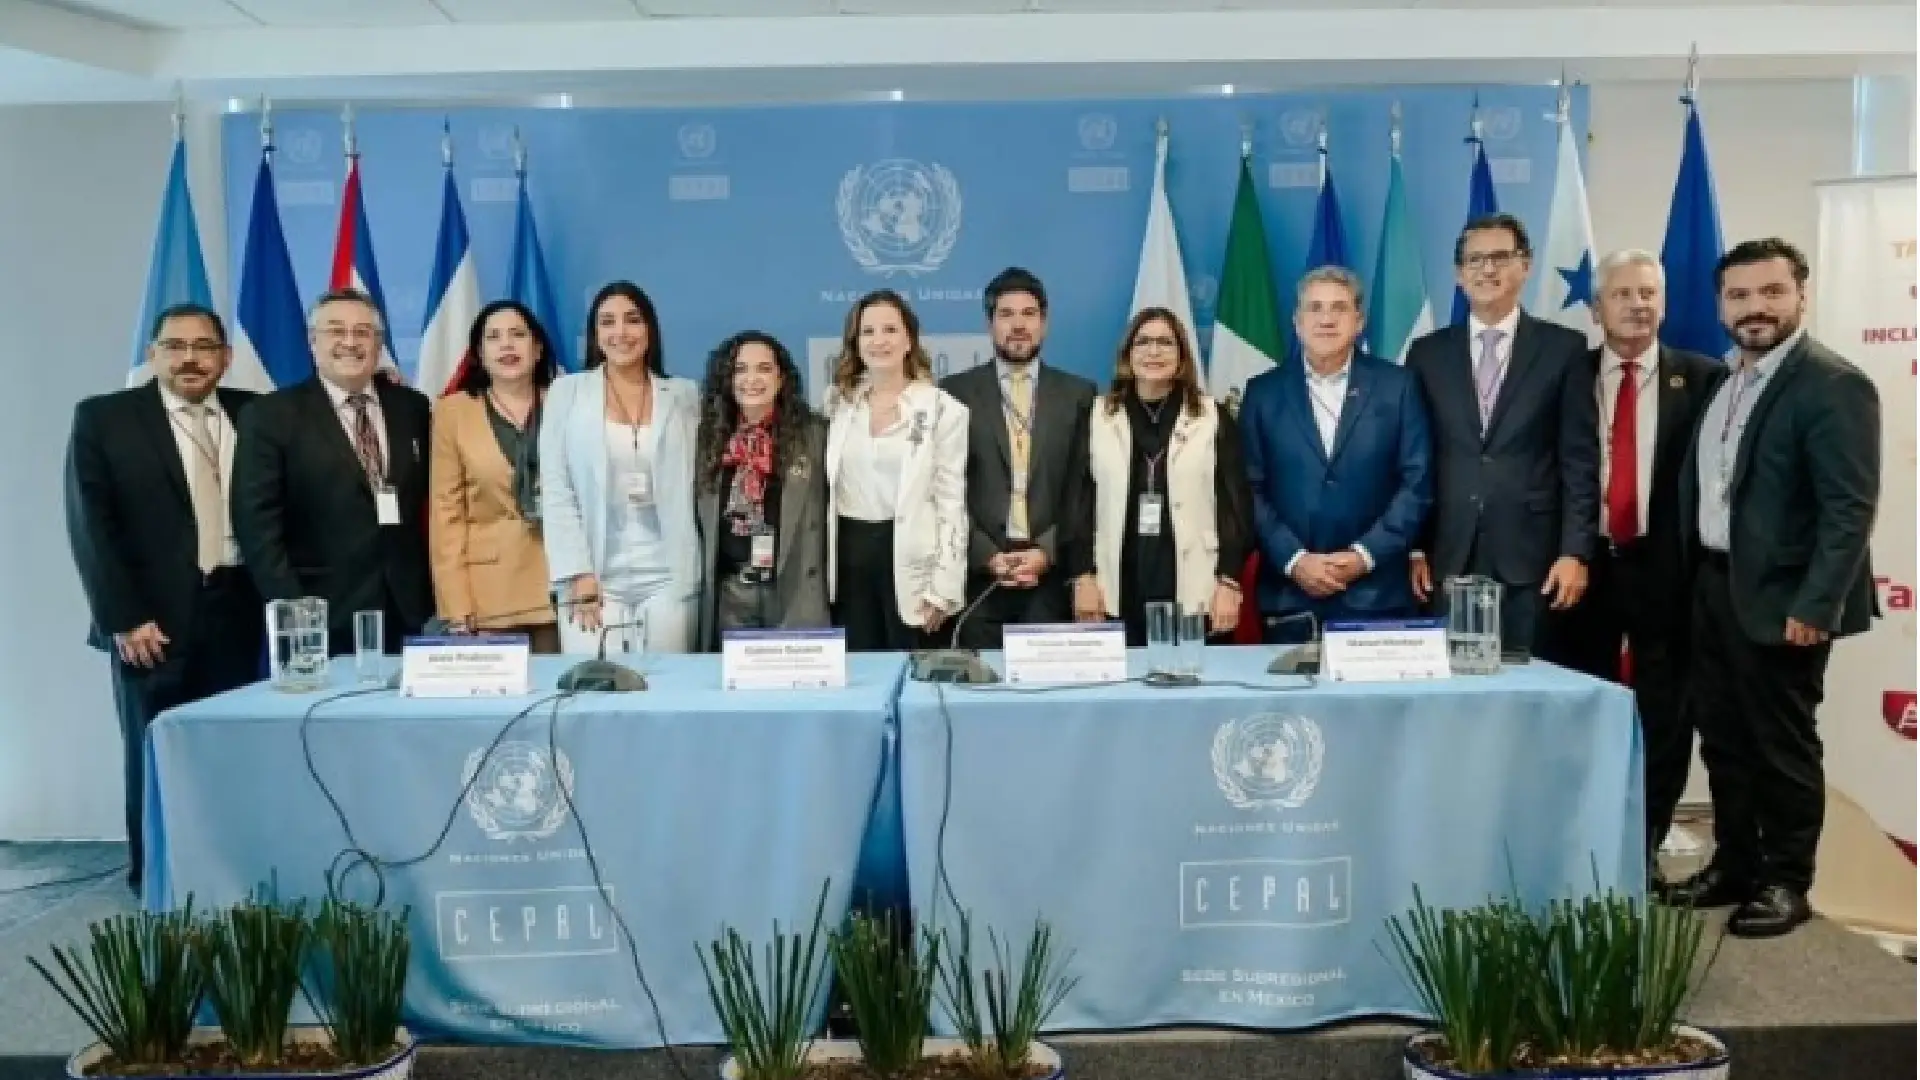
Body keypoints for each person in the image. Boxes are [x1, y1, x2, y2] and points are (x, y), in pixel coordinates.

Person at [1664, 238, 1880, 938]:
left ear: (1800, 295)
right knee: (1722, 739)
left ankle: (1788, 880)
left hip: (1787, 602)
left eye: (1771, 292)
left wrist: (1817, 605)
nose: (1755, 308)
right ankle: (1734, 864)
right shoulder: (1728, 382)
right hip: (1716, 586)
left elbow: (1848, 509)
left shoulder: (1831, 383)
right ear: (1720, 304)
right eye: (1739, 295)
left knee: (1781, 744)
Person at [65, 303, 264, 894]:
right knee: (153, 757)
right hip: (151, 624)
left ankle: (224, 878)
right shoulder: (106, 419)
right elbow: (90, 527)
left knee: (228, 755)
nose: (190, 359)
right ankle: (153, 878)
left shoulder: (256, 414)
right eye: (175, 346)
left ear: (225, 358)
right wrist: (125, 619)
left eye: (204, 347)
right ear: (153, 355)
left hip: (238, 611)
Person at [1555, 250, 1722, 872]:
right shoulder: (1566, 375)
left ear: (1666, 302)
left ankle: (1643, 845)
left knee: (1664, 714)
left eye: (1649, 292)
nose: (1637, 304)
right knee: (1581, 703)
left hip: (1665, 568)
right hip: (1583, 566)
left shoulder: (1705, 378)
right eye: (1622, 294)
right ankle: (1579, 838)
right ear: (1597, 309)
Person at [1405, 213, 1598, 661]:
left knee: (1530, 689)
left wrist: (1575, 552)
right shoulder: (1427, 354)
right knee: (1453, 695)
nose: (1487, 270)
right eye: (1475, 260)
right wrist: (1414, 547)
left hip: (1534, 561)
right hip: (1448, 556)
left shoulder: (1562, 349)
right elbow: (1417, 460)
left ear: (1525, 266)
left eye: (1500, 257)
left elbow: (1579, 461)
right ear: (1458, 275)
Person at [232, 287, 435, 654]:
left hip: (408, 608)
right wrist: (292, 607)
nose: (350, 342)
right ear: (312, 342)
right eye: (336, 331)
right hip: (319, 611)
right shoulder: (270, 416)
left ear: (378, 344)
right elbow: (256, 523)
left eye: (363, 332)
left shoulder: (414, 408)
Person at [1239, 267, 1432, 639]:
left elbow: (1417, 483)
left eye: (1339, 308)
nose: (1326, 319)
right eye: (1315, 308)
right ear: (1297, 322)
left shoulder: (1399, 386)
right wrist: (1295, 560)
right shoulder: (1263, 393)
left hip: (1377, 594)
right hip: (1290, 596)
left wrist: (1364, 555)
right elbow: (1248, 488)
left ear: (1358, 321)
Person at [540, 281, 702, 655]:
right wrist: (577, 574)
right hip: (594, 576)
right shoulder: (567, 393)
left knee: (668, 688)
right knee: (593, 690)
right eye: (607, 322)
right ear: (595, 335)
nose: (620, 333)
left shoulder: (684, 395)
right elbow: (557, 488)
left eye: (632, 320)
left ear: (650, 330)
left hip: (668, 575)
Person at [940, 267, 1097, 647]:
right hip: (978, 577)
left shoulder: (1079, 395)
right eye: (1006, 314)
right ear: (990, 324)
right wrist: (987, 555)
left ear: (1044, 323)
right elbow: (943, 489)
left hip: (1051, 576)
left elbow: (1086, 490)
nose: (1018, 325)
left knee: (1047, 698)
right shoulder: (953, 393)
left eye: (1028, 314)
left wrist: (1045, 550)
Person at [1083, 306, 1250, 645]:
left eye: (1165, 342)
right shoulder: (1098, 416)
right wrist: (1083, 578)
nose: (1154, 351)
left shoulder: (1210, 416)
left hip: (1197, 585)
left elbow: (1236, 509)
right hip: (1119, 580)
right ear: (1128, 354)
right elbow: (1078, 504)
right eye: (1143, 342)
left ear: (1182, 355)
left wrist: (1229, 582)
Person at [823, 290, 969, 651]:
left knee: (915, 676)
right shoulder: (838, 402)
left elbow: (952, 504)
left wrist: (944, 587)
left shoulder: (943, 409)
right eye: (867, 332)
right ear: (855, 343)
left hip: (912, 562)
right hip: (849, 557)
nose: (879, 340)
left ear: (909, 340)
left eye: (890, 329)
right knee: (860, 679)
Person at [427, 300, 562, 653]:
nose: (507, 345)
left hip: (563, 586)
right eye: (494, 337)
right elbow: (446, 515)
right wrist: (456, 608)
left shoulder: (567, 402)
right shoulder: (452, 413)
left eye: (518, 335)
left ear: (537, 348)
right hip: (487, 595)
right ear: (479, 353)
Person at [692, 331, 830, 650]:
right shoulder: (708, 439)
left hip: (794, 591)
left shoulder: (815, 436)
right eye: (740, 369)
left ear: (781, 379)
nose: (751, 379)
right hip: (732, 594)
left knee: (798, 695)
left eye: (764, 369)